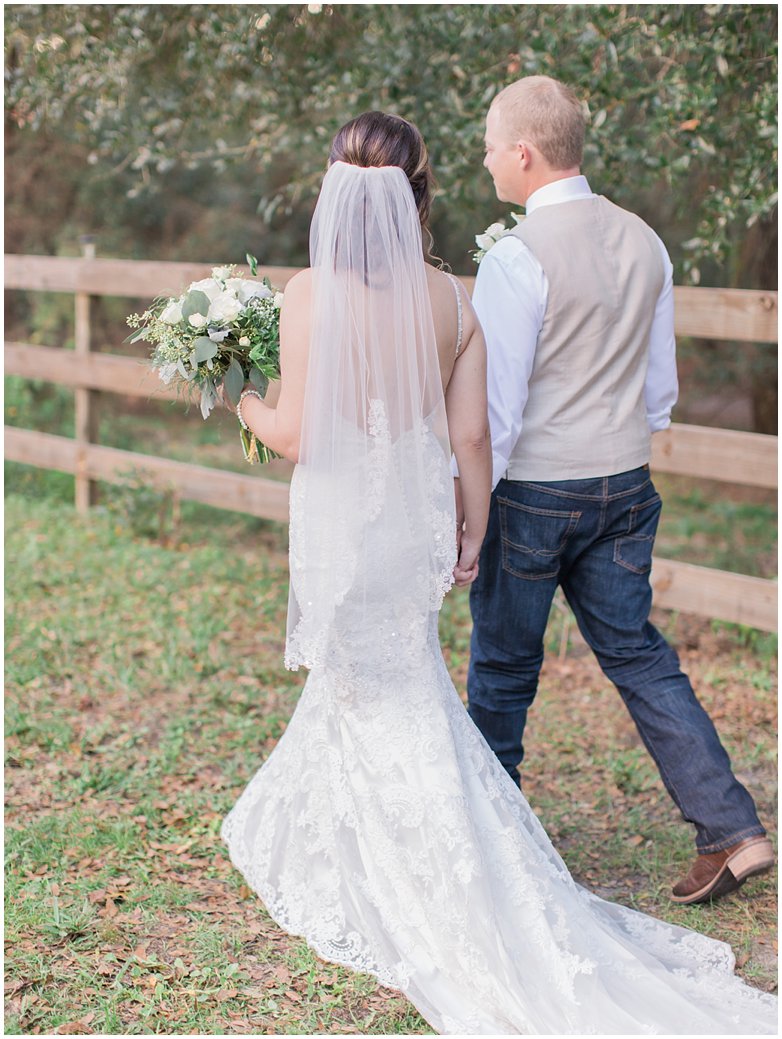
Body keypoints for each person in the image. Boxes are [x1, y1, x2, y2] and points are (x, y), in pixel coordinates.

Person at [221, 111, 776, 1033]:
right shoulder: (452, 297)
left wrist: (234, 388)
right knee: (419, 681)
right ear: (415, 192)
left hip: (352, 528)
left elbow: (294, 434)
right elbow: (472, 432)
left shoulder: (310, 292)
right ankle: (390, 832)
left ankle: (431, 857)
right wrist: (468, 524)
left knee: (399, 686)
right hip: (427, 523)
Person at [466, 74, 775, 907]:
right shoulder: (646, 239)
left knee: (501, 667)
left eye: (492, 146)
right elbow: (660, 388)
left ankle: (495, 849)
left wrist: (472, 510)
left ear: (524, 153)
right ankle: (733, 828)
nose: (488, 160)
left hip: (534, 488)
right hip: (625, 480)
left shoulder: (515, 257)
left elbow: (498, 410)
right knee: (640, 657)